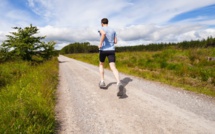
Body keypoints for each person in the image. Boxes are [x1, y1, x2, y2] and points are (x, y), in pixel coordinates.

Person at [98, 18, 123, 96]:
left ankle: (102, 81)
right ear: (107, 23)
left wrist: (100, 43)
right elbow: (115, 41)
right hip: (111, 50)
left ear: (102, 23)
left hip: (103, 50)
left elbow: (103, 34)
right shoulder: (113, 30)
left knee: (101, 64)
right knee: (113, 67)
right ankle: (118, 82)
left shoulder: (101, 28)